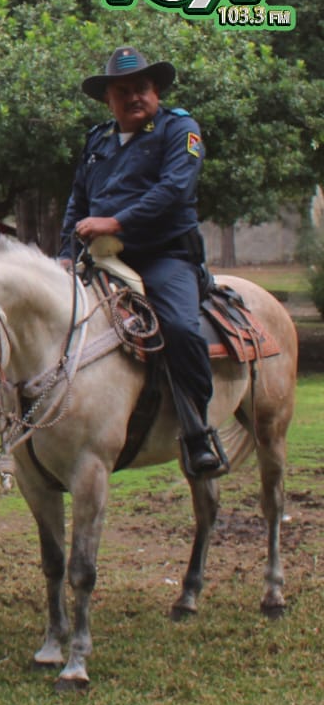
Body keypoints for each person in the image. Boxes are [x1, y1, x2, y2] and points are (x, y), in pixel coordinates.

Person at [58, 46, 222, 479]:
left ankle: (197, 431)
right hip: (101, 259)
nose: (133, 97)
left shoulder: (178, 129)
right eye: (123, 90)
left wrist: (116, 222)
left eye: (142, 88)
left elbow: (175, 189)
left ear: (156, 92)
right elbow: (78, 201)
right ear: (108, 99)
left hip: (163, 256)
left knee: (181, 328)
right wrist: (64, 255)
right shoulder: (98, 140)